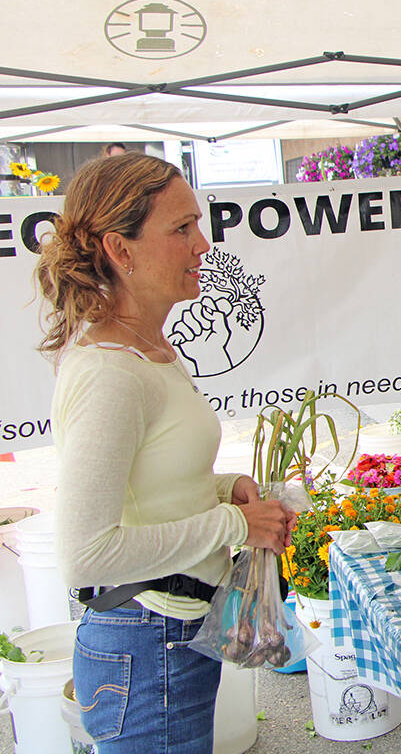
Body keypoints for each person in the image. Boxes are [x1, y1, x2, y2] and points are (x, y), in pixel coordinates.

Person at [34, 154, 296, 753]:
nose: (202, 244)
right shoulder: (109, 374)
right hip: (144, 645)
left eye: (197, 224)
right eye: (181, 229)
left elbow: (151, 486)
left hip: (170, 636)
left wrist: (224, 488)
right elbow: (85, 554)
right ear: (120, 251)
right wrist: (233, 522)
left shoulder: (151, 348)